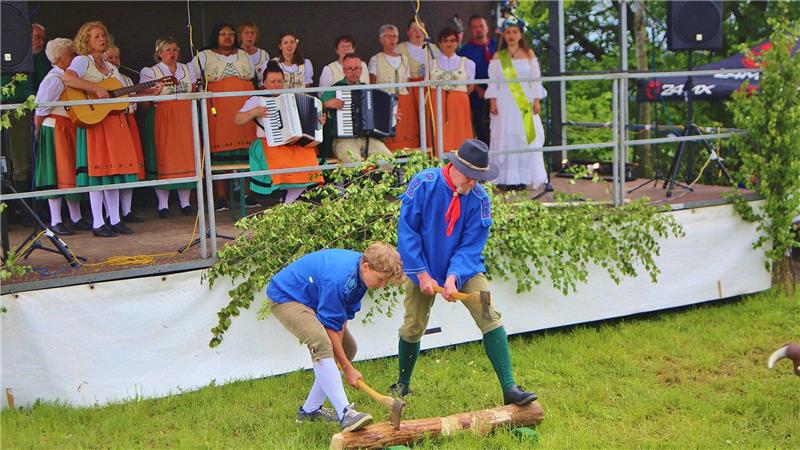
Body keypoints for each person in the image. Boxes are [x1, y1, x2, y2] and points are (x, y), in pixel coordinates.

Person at [390, 139, 538, 407]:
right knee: (413, 327)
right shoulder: (423, 184)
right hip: (423, 264)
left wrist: (453, 277)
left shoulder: (480, 199)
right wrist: (423, 275)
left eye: (478, 178)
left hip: (465, 269)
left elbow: (471, 246)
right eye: (470, 177)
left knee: (489, 315)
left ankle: (509, 388)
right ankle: (402, 384)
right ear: (454, 166)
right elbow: (408, 232)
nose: (473, 183)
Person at [267, 242, 404, 431]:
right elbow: (329, 328)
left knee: (348, 349)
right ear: (366, 266)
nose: (382, 286)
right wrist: (347, 368)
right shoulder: (340, 279)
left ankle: (310, 411)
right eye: (381, 279)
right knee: (321, 344)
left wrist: (344, 358)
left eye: (385, 282)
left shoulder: (360, 278)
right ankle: (345, 414)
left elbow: (340, 319)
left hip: (311, 299)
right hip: (286, 298)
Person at [63, 21, 158, 237]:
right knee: (98, 173)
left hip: (114, 122)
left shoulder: (111, 66)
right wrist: (95, 88)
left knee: (114, 171)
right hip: (96, 122)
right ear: (86, 40)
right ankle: (98, 222)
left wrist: (149, 91)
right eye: (96, 36)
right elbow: (67, 78)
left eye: (103, 36)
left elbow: (121, 95)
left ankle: (115, 219)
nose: (101, 39)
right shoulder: (81, 61)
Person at [235, 60, 324, 205]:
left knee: (309, 163)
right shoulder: (257, 100)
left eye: (279, 81)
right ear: (264, 82)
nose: (276, 85)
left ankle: (287, 203)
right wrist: (254, 111)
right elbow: (238, 120)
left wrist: (318, 121)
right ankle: (287, 202)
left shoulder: (291, 98)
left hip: (292, 144)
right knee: (284, 164)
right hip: (267, 144)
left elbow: (304, 127)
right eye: (272, 82)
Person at [191, 23, 257, 211]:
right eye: (222, 34)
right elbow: (194, 83)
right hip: (218, 112)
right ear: (215, 36)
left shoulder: (244, 55)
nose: (227, 37)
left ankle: (247, 194)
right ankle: (221, 197)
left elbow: (251, 77)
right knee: (220, 153)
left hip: (243, 109)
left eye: (230, 34)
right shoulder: (203, 57)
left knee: (246, 151)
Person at [32, 38, 90, 235]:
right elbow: (40, 109)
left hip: (69, 127)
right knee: (56, 172)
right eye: (70, 55)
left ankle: (76, 217)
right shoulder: (53, 79)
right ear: (59, 59)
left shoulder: (67, 76)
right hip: (55, 128)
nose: (74, 58)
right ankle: (55, 220)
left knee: (71, 172)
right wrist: (38, 133)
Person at [485, 17, 547, 191]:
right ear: (503, 35)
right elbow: (493, 82)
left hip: (524, 102)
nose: (511, 36)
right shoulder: (498, 56)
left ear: (520, 34)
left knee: (525, 137)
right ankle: (505, 178)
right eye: (508, 32)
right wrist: (492, 102)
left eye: (515, 32)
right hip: (504, 102)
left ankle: (524, 177)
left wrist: (536, 100)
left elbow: (536, 80)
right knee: (504, 137)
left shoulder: (529, 54)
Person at [139, 37, 198, 218]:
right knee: (163, 158)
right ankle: (163, 204)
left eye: (175, 49)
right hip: (163, 117)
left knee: (185, 157)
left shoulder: (187, 68)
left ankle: (185, 202)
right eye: (168, 49)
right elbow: (143, 100)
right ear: (160, 53)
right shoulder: (151, 71)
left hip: (185, 117)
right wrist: (153, 92)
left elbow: (194, 91)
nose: (172, 53)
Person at [321, 54, 392, 163]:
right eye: (350, 68)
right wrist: (326, 104)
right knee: (353, 162)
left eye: (357, 68)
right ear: (344, 70)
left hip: (369, 139)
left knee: (388, 161)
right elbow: (317, 106)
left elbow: (384, 115)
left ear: (361, 70)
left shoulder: (368, 89)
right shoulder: (335, 89)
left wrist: (393, 118)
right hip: (344, 140)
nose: (354, 71)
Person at [103, 43, 146, 223]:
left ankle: (127, 210)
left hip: (128, 122)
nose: (115, 61)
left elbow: (133, 102)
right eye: (110, 58)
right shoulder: (100, 80)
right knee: (111, 169)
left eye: (117, 58)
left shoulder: (127, 80)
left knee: (130, 167)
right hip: (111, 123)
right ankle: (108, 213)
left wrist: (148, 91)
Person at [369, 25, 418, 152]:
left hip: (404, 101)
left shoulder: (404, 59)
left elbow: (407, 83)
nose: (392, 39)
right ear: (381, 39)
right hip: (385, 101)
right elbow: (372, 84)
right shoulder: (375, 59)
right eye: (388, 36)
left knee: (406, 134)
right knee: (389, 134)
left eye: (394, 36)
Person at [428, 27, 475, 154]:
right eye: (445, 41)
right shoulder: (430, 64)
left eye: (452, 40)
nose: (449, 44)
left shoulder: (467, 63)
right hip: (437, 105)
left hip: (459, 106)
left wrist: (456, 97)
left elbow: (470, 86)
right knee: (438, 135)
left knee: (459, 134)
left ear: (457, 42)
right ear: (439, 43)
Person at [458, 15, 497, 145]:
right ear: (470, 29)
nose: (478, 29)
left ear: (487, 28)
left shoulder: (497, 46)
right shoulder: (465, 51)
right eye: (474, 27)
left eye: (481, 26)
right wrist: (477, 88)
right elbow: (462, 74)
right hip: (477, 97)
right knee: (482, 130)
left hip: (497, 95)